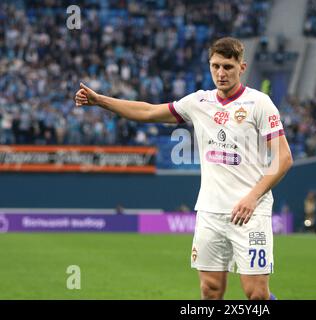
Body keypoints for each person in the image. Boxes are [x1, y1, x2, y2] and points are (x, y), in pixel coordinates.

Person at [75, 37, 293, 300]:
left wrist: (252, 197)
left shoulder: (260, 103)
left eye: (227, 67)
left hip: (251, 213)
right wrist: (100, 101)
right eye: (215, 66)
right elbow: (148, 112)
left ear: (242, 67)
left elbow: (284, 158)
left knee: (256, 294)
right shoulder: (199, 102)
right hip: (210, 212)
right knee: (210, 290)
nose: (220, 73)